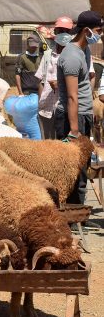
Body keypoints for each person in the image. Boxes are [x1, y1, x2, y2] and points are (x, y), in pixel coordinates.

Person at [55, 10, 103, 207]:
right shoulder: (72, 56)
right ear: (86, 31)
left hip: (83, 115)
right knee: (71, 170)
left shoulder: (84, 51)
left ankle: (78, 213)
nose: (100, 35)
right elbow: (72, 96)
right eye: (98, 31)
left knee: (82, 167)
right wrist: (74, 131)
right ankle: (70, 215)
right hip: (71, 118)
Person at [35, 16, 74, 139]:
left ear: (71, 33)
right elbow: (41, 80)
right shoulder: (48, 54)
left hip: (65, 109)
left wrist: (61, 84)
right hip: (46, 107)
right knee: (47, 144)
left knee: (63, 144)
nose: (63, 34)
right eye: (60, 30)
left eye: (66, 31)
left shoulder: (74, 54)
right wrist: (40, 102)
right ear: (55, 32)